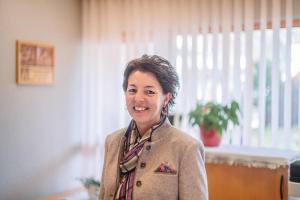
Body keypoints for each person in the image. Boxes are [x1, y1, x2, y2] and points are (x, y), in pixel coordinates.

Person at [99, 55, 208, 200]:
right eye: (132, 90)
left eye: (149, 91)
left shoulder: (187, 148)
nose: (138, 98)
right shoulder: (112, 141)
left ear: (166, 99)